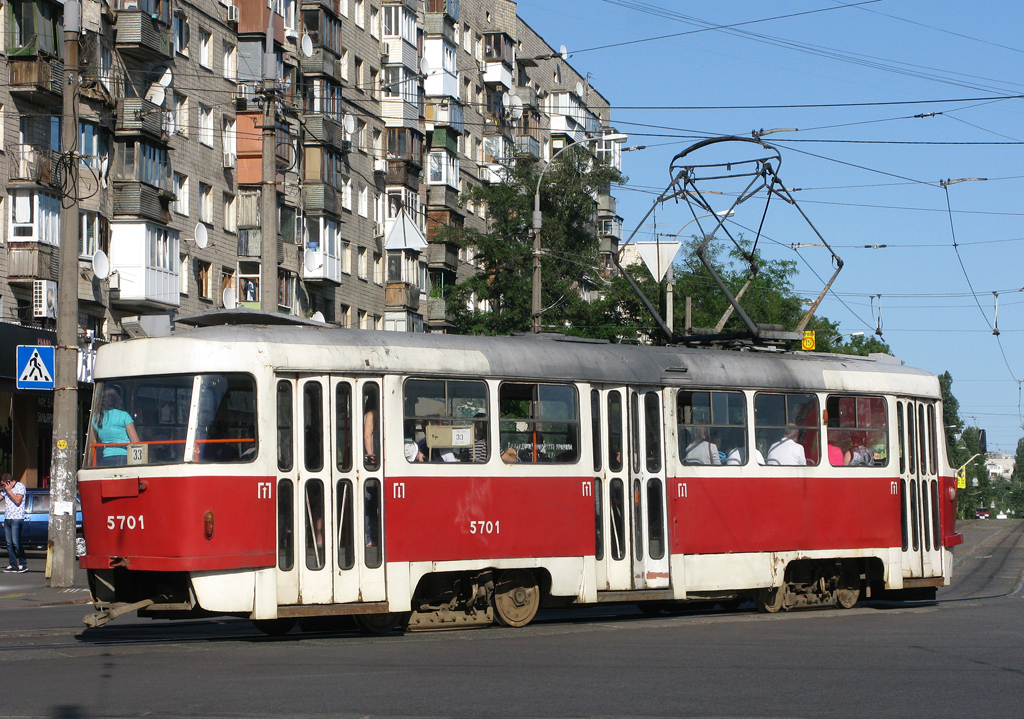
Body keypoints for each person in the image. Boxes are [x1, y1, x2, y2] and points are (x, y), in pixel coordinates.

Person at [89, 387, 141, 466]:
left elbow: (93, 442)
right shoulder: (124, 415)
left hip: (107, 457)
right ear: (116, 399)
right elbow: (135, 441)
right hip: (125, 456)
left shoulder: (95, 418)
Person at [1, 473, 27, 572]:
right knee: (9, 543)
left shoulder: (20, 486)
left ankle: (22, 563)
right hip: (8, 518)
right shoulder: (5, 489)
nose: (4, 487)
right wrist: (6, 490)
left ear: (8, 482)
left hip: (17, 518)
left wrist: (9, 491)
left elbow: (17, 500)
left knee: (16, 542)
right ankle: (13, 564)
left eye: (4, 484)